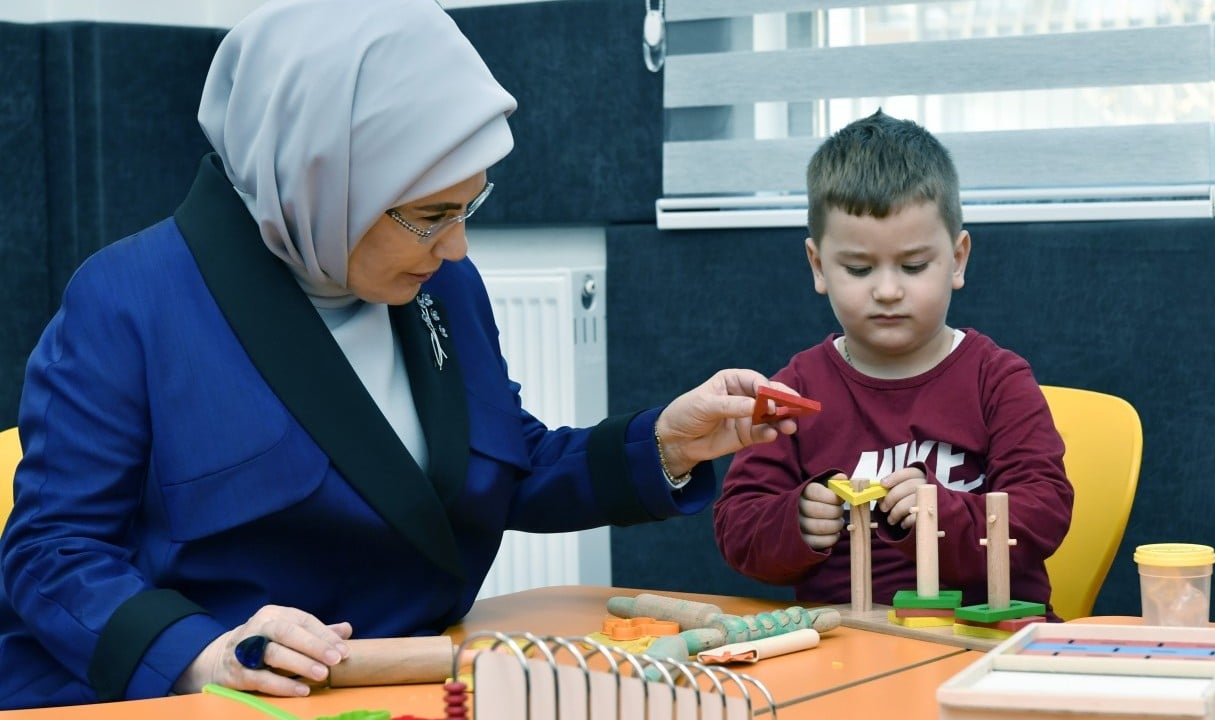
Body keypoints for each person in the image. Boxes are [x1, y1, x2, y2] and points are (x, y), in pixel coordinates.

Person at [0, 0, 800, 709]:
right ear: (320, 179)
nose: (456, 246)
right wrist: (201, 655)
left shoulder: (441, 285)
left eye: (469, 205)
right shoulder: (128, 301)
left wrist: (666, 444)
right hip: (220, 701)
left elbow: (504, 466)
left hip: (408, 686)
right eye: (429, 214)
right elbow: (51, 554)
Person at [712, 110, 1073, 618]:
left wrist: (940, 513)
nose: (886, 290)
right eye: (859, 268)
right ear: (818, 266)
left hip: (985, 640)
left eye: (913, 266)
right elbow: (737, 525)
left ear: (959, 259)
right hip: (848, 647)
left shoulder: (998, 380)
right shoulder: (794, 389)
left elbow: (1044, 512)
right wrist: (794, 519)